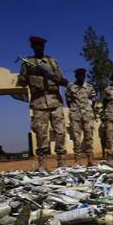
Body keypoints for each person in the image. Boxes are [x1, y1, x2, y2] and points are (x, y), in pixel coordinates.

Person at [17, 36, 68, 170]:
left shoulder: (52, 62)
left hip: (55, 100)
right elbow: (21, 82)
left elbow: (63, 80)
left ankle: (62, 162)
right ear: (32, 47)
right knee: (41, 133)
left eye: (41, 46)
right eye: (36, 46)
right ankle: (42, 163)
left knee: (60, 132)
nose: (39, 48)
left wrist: (55, 78)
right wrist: (32, 72)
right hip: (38, 102)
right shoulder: (27, 63)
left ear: (44, 47)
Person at [65, 68, 98, 166]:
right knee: (76, 137)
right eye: (79, 75)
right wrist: (75, 110)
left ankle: (90, 159)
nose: (81, 77)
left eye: (83, 75)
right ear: (76, 76)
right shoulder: (71, 87)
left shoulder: (89, 87)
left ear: (84, 76)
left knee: (89, 137)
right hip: (76, 115)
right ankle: (77, 160)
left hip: (87, 115)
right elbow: (68, 101)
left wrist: (88, 109)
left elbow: (94, 99)